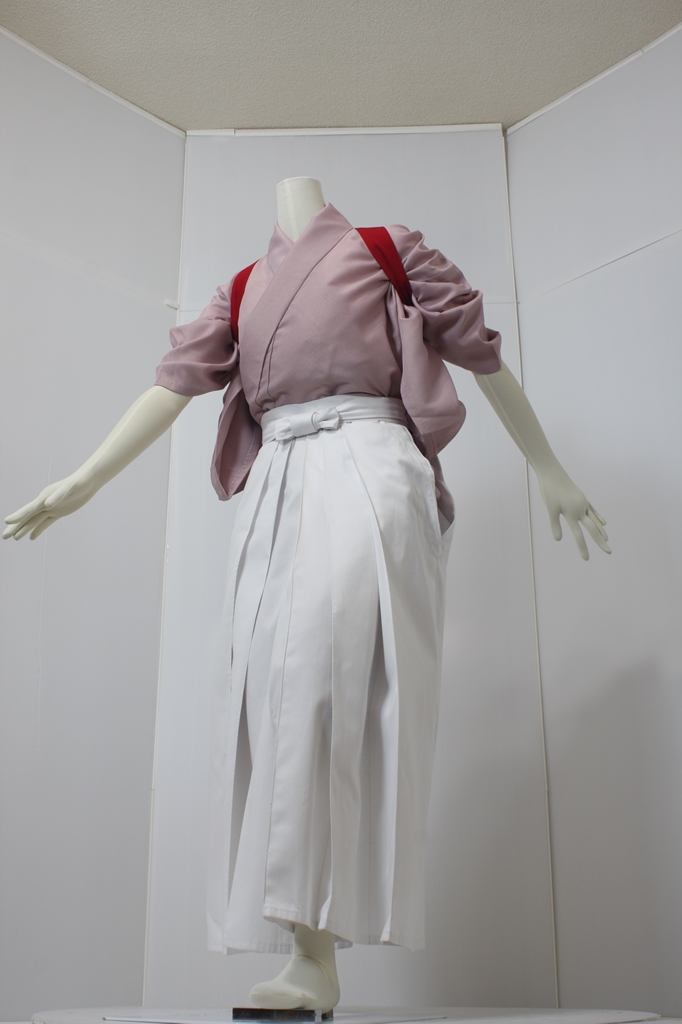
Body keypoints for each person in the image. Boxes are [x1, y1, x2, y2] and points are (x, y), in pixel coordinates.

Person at [4, 177, 610, 1012]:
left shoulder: (387, 249)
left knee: (330, 687)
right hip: (279, 480)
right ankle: (308, 952)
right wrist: (83, 480)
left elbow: (482, 354)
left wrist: (549, 467)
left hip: (371, 463)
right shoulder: (242, 288)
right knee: (274, 695)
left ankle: (315, 947)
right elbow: (173, 386)